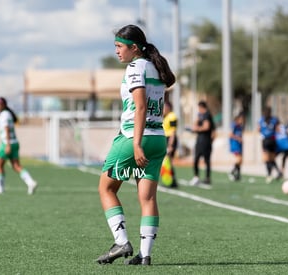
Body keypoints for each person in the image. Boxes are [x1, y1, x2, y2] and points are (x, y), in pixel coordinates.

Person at [96, 24, 175, 266]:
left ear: (133, 48)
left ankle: (121, 241)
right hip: (158, 139)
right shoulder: (156, 67)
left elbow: (140, 107)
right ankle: (145, 254)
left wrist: (137, 144)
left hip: (134, 138)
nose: (117, 52)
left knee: (106, 189)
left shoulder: (134, 67)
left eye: (119, 47)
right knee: (148, 197)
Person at [0, 97, 37, 195]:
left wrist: (7, 145)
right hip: (15, 142)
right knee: (16, 166)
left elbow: (6, 129)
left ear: (3, 105)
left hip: (7, 143)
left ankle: (0, 188)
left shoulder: (4, 115)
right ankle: (30, 182)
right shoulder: (8, 114)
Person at [190, 100, 215, 185]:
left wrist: (197, 129)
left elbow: (206, 127)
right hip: (200, 140)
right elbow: (194, 125)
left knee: (206, 160)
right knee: (196, 158)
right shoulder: (200, 115)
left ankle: (207, 178)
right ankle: (196, 177)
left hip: (205, 141)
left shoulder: (207, 115)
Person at [258, 106, 281, 183]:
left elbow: (258, 129)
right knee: (272, 158)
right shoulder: (274, 119)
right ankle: (278, 171)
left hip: (266, 140)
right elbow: (278, 129)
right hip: (273, 140)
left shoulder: (261, 119)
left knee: (267, 159)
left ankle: (269, 174)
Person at [162, 100, 178, 188]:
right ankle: (170, 180)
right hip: (166, 139)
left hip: (170, 140)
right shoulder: (166, 116)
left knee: (169, 161)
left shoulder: (172, 116)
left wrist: (170, 145)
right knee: (167, 161)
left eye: (164, 107)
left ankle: (172, 181)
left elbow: (173, 132)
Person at [228, 113, 244, 181]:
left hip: (239, 144)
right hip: (235, 144)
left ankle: (238, 175)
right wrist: (238, 138)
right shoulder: (234, 125)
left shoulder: (240, 126)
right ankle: (231, 171)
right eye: (241, 119)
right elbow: (230, 134)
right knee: (239, 159)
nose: (242, 120)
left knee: (240, 160)